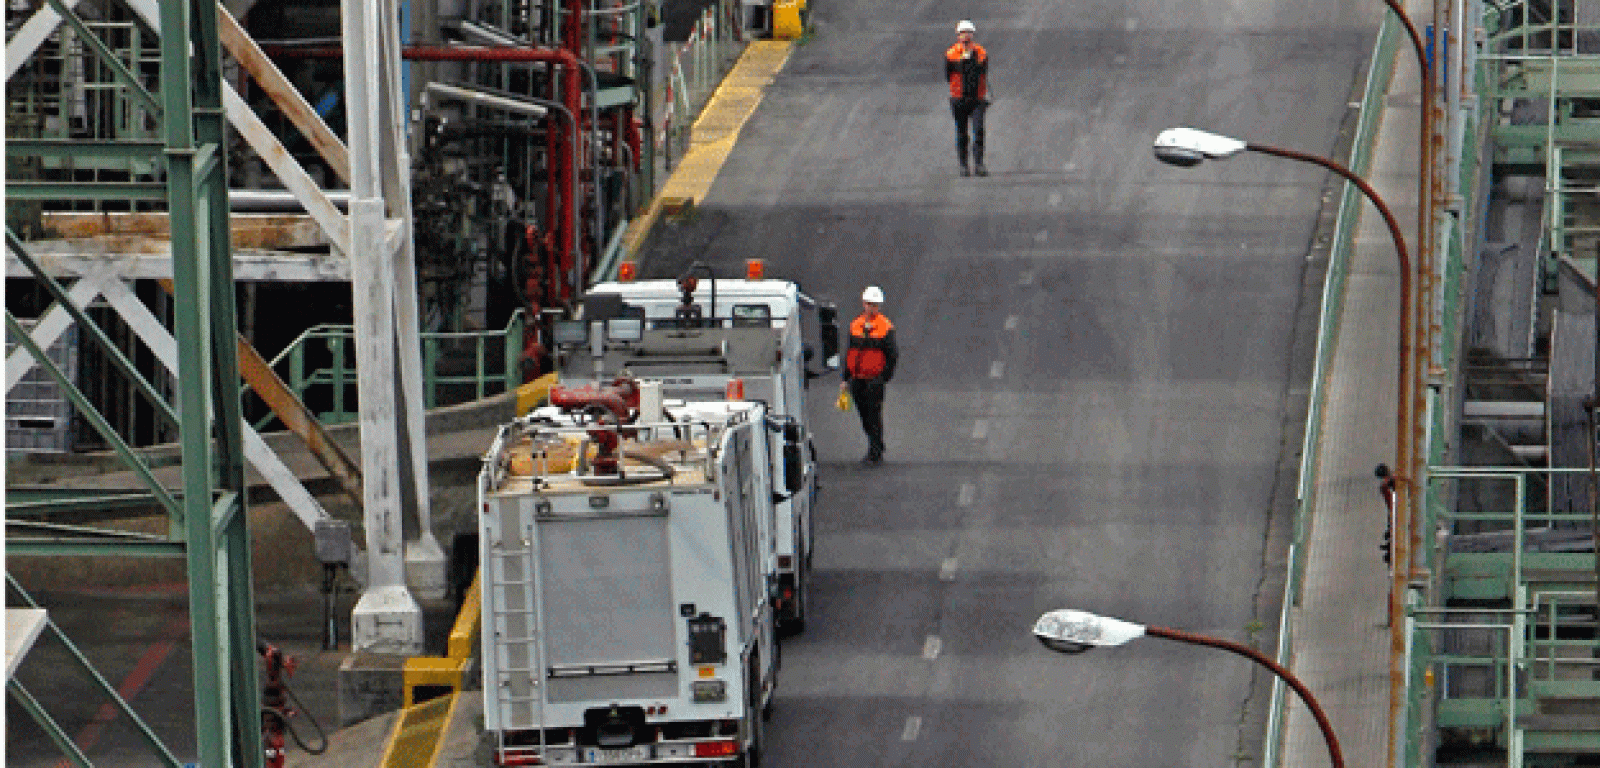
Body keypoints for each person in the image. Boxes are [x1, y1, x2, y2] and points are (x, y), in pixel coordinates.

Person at [841, 286, 898, 465]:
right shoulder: (855, 325)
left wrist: (883, 377)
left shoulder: (886, 327)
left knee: (874, 414)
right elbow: (851, 352)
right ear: (863, 304)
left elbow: (893, 354)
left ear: (879, 306)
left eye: (874, 305)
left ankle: (875, 451)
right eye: (868, 304)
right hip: (857, 379)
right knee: (864, 414)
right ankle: (876, 444)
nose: (871, 307)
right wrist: (845, 378)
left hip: (874, 379)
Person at [945, 19, 990, 177]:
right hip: (958, 98)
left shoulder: (980, 52)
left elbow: (982, 69)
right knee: (962, 132)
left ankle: (979, 164)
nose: (966, 36)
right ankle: (963, 166)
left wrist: (968, 59)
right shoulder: (951, 54)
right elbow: (948, 75)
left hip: (977, 98)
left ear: (972, 34)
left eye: (968, 33)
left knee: (978, 130)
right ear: (958, 36)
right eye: (962, 33)